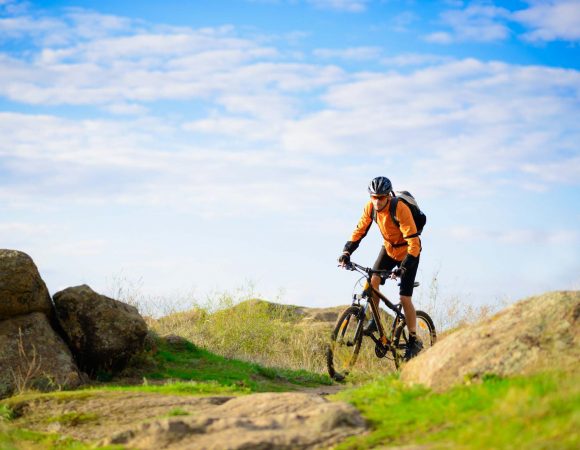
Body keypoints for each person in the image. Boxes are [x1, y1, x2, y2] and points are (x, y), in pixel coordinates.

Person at [338, 176, 423, 361]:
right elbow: (360, 230)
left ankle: (414, 339)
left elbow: (414, 242)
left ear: (388, 196)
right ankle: (375, 322)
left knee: (404, 297)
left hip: (409, 252)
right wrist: (346, 252)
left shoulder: (400, 208)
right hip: (389, 248)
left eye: (381, 197)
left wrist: (403, 268)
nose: (377, 201)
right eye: (373, 197)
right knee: (372, 281)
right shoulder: (370, 208)